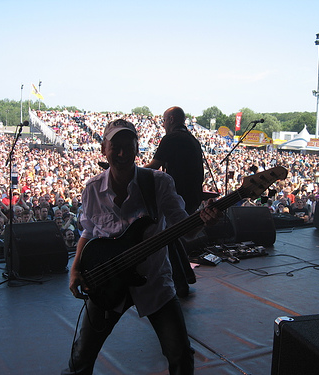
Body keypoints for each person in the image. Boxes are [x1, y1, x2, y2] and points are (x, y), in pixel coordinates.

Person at [62, 119, 220, 375]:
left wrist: (205, 221)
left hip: (154, 280)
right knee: (82, 356)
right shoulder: (92, 189)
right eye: (116, 146)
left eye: (129, 146)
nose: (122, 153)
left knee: (179, 354)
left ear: (138, 149)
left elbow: (185, 229)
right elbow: (88, 232)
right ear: (104, 149)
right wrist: (75, 269)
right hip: (107, 279)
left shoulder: (159, 183)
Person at [144, 106, 204, 296]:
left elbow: (154, 166)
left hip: (179, 195)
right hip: (193, 194)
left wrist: (131, 172)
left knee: (166, 234)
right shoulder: (192, 139)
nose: (162, 125)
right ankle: (186, 277)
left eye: (163, 120)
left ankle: (181, 283)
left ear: (170, 119)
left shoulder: (171, 138)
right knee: (172, 234)